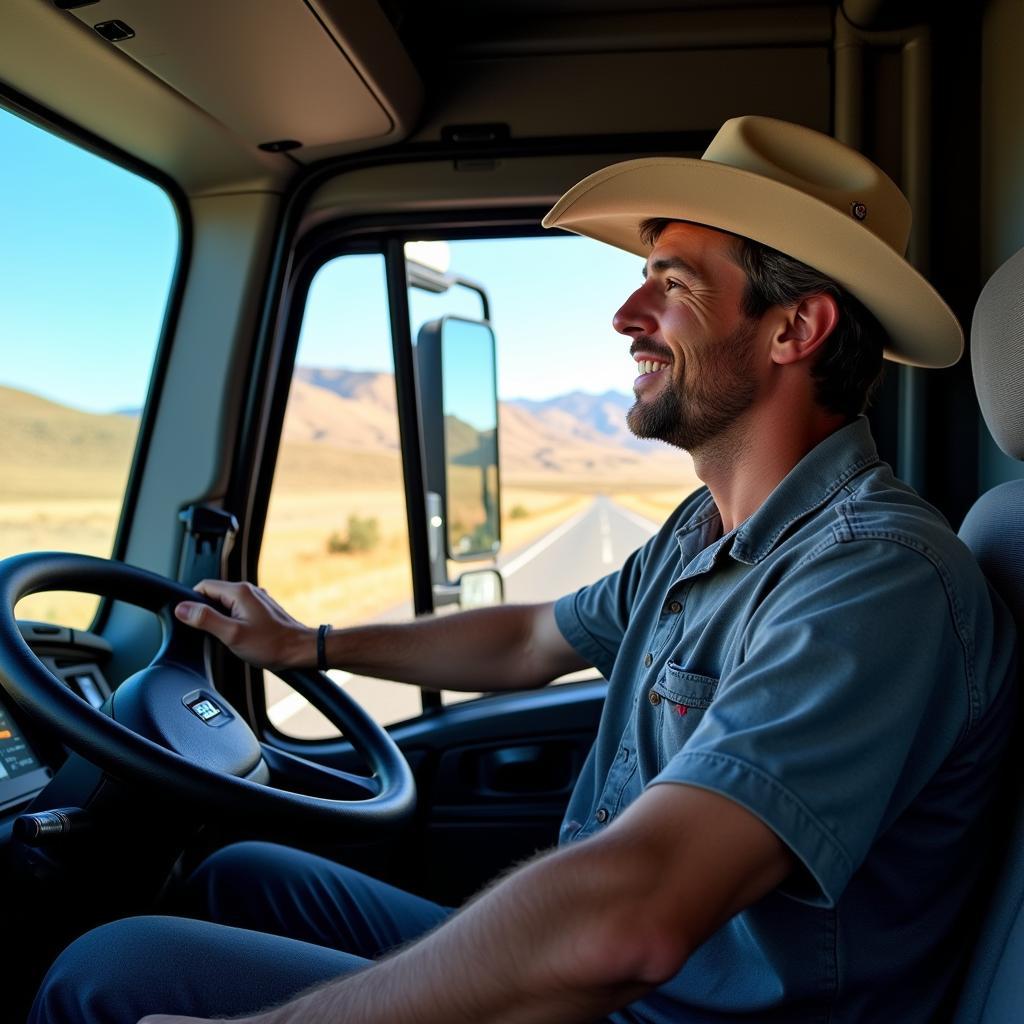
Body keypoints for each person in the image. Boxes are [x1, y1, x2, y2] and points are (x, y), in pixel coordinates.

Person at [30, 116, 1016, 1024]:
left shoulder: (873, 583)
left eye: (671, 283)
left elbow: (629, 920)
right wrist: (306, 642)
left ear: (793, 330)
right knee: (244, 875)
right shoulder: (701, 531)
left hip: (665, 1011)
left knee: (110, 975)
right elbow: (533, 634)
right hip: (633, 988)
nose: (627, 314)